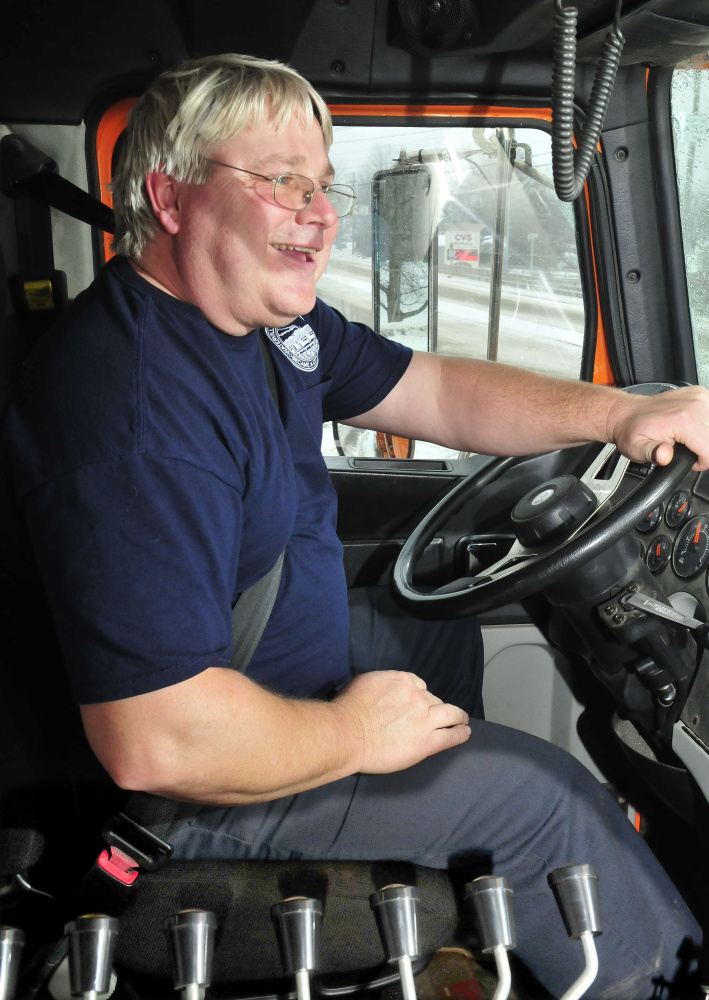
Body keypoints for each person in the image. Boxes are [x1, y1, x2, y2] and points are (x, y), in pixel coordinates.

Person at [4, 52, 709, 997]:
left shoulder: (266, 326)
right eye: (280, 180)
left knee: (429, 626)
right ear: (169, 199)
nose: (321, 211)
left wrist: (618, 415)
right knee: (545, 801)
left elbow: (437, 389)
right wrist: (355, 737)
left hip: (253, 679)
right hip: (179, 791)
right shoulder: (133, 417)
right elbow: (158, 742)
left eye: (323, 185)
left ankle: (459, 867)